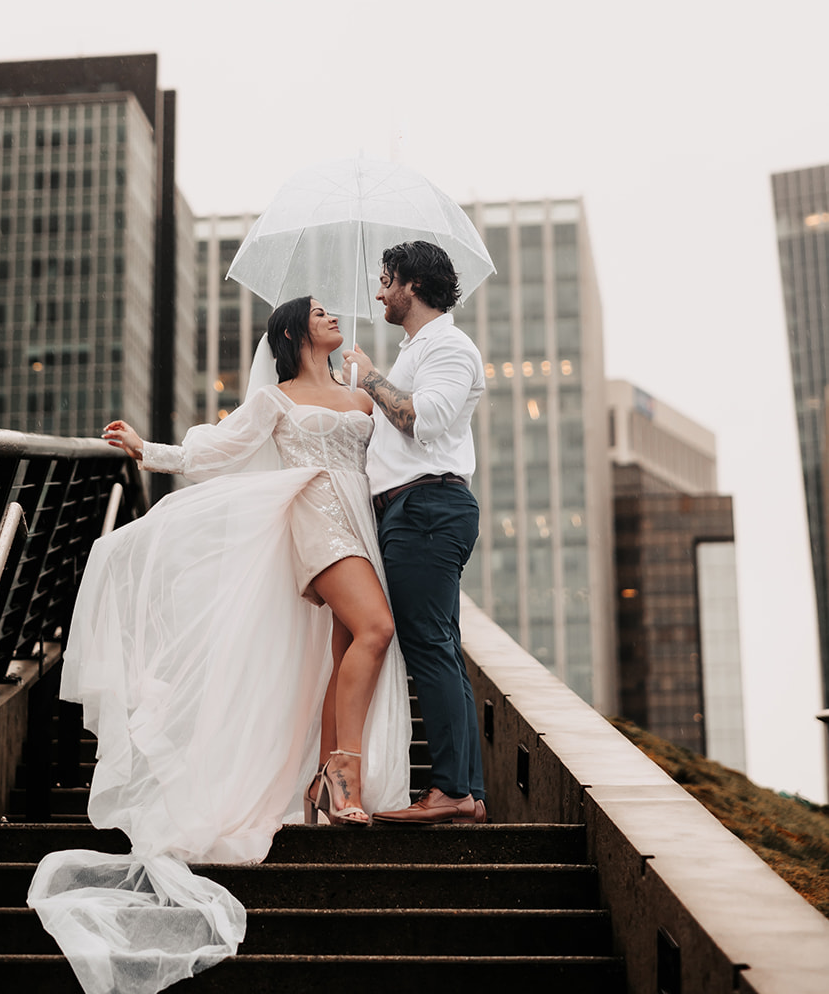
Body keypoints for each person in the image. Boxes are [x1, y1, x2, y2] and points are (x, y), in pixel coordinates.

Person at [28, 296, 410, 994]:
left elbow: (405, 443)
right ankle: (343, 778)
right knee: (374, 630)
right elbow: (218, 451)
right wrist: (150, 450)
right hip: (316, 512)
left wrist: (375, 377)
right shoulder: (273, 398)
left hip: (365, 520)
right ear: (294, 331)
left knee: (341, 649)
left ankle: (326, 783)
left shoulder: (360, 391)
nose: (335, 318)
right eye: (320, 312)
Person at [343, 240, 488, 824]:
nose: (378, 292)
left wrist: (372, 378)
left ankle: (452, 790)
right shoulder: (417, 349)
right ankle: (465, 790)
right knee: (440, 647)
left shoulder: (450, 346)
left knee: (429, 645)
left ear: (411, 283)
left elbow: (421, 419)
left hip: (427, 507)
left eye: (385, 280)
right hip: (412, 510)